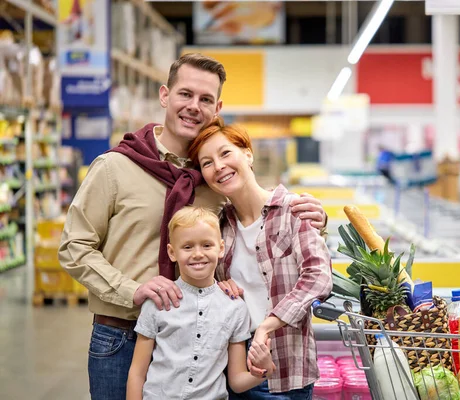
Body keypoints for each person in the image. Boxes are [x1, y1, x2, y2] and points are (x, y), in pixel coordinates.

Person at [58, 53, 327, 400]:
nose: (193, 106)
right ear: (165, 96)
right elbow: (74, 246)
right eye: (185, 94)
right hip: (122, 336)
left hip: (198, 337)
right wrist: (131, 290)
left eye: (205, 99)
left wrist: (313, 219)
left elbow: (250, 226)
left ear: (217, 109)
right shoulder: (115, 167)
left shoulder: (213, 183)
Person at [188, 118, 333, 399]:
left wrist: (268, 324)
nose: (218, 166)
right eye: (207, 163)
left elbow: (318, 277)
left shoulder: (293, 209)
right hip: (232, 370)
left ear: (248, 154)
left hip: (284, 370)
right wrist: (217, 287)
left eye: (225, 153)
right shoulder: (218, 224)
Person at [126, 206, 275, 400]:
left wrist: (263, 371)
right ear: (172, 252)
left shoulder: (235, 308)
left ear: (220, 248)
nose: (197, 254)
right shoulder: (158, 303)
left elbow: (237, 381)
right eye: (187, 247)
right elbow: (137, 373)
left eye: (206, 245)